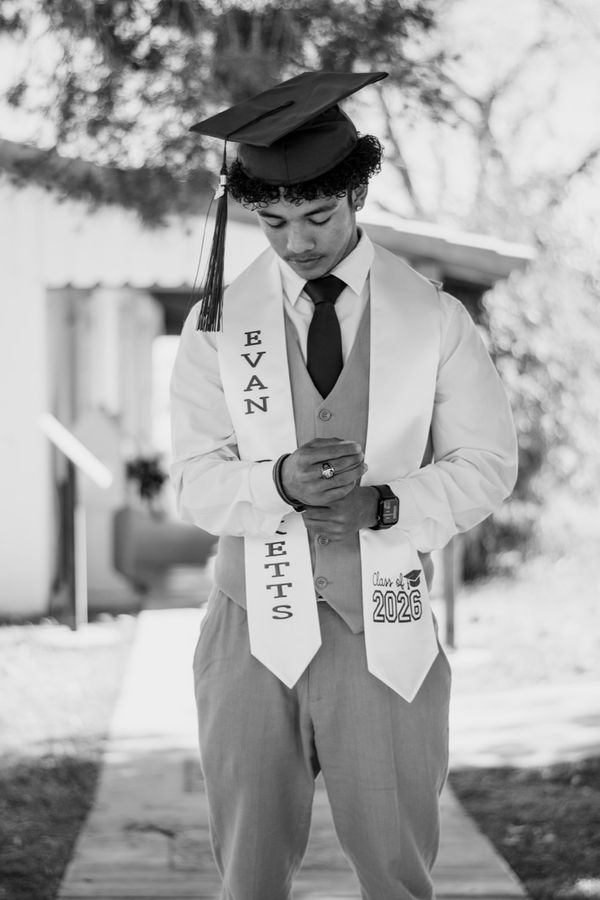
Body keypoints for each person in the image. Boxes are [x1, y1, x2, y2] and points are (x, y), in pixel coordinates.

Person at [170, 70, 518, 900]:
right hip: (252, 616)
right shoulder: (217, 322)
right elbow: (194, 480)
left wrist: (390, 504)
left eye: (318, 216)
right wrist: (278, 481)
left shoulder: (431, 316)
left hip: (385, 608)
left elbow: (486, 464)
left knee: (395, 866)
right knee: (248, 870)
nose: (296, 243)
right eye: (274, 220)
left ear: (356, 193)